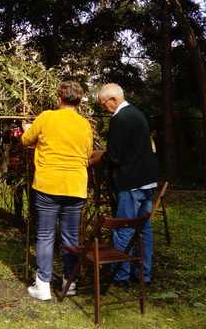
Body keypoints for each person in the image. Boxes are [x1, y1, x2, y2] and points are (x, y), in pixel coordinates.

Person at [21, 81, 93, 301]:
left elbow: (26, 140)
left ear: (59, 98)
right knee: (71, 236)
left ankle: (42, 285)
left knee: (45, 235)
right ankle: (68, 282)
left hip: (48, 185)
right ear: (79, 101)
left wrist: (27, 129)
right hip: (75, 186)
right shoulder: (85, 125)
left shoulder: (46, 117)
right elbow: (88, 153)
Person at [90, 83, 158, 286]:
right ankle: (143, 274)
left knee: (123, 228)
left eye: (103, 104)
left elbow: (115, 156)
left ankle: (120, 275)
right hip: (147, 180)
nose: (104, 108)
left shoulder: (120, 118)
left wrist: (97, 158)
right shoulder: (137, 113)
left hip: (131, 183)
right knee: (143, 228)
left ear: (113, 100)